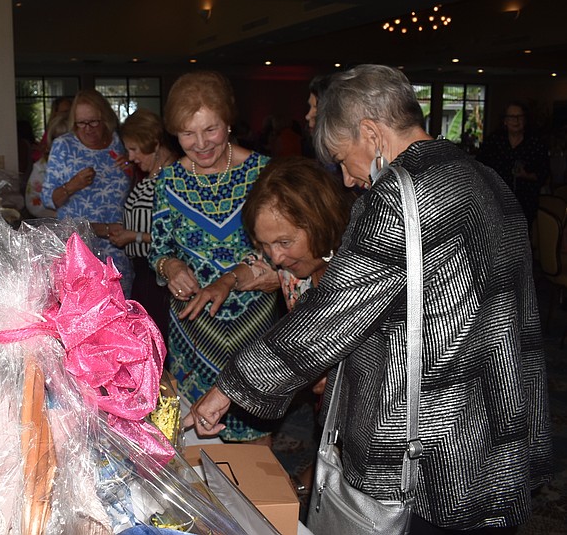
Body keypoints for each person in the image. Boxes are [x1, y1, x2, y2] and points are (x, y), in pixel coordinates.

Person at [188, 64, 552, 533]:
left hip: (433, 450)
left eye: (343, 158)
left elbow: (332, 314)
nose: (345, 179)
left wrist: (230, 387)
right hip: (501, 428)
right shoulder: (486, 178)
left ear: (371, 134)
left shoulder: (400, 196)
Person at [149, 70, 281, 443]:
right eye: (187, 134)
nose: (201, 143)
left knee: (254, 427)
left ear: (228, 123)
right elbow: (159, 250)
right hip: (193, 329)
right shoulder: (169, 181)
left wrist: (236, 277)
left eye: (211, 129)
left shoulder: (264, 173)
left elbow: (280, 251)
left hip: (253, 324)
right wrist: (171, 266)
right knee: (192, 435)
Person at [240, 156, 353, 494]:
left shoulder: (357, 273)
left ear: (320, 223)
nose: (275, 258)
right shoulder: (294, 271)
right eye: (265, 245)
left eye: (284, 243)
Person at [42, 89, 135, 297]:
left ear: (106, 119)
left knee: (119, 306)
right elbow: (48, 199)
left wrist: (132, 170)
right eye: (81, 123)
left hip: (117, 247)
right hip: (79, 250)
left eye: (93, 122)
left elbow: (137, 190)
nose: (87, 129)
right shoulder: (64, 146)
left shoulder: (119, 143)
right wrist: (72, 185)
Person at [108, 109, 178, 337]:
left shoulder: (173, 177)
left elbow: (177, 235)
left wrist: (133, 236)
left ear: (154, 143)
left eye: (134, 149)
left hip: (160, 277)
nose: (130, 156)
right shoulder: (149, 174)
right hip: (143, 273)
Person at [477, 101, 549, 232]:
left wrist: (527, 175)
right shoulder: (493, 142)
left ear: (525, 120)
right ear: (505, 121)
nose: (516, 121)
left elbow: (544, 173)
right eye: (511, 117)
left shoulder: (536, 144)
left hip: (525, 204)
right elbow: (479, 168)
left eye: (519, 117)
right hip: (496, 204)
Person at [25, 110, 68, 218]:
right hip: (53, 223)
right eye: (57, 140)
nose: (63, 146)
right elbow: (32, 204)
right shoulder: (42, 167)